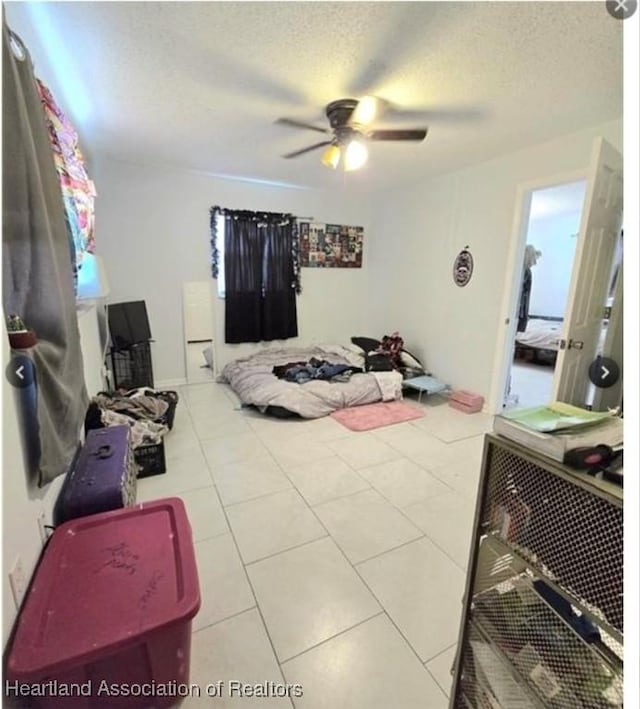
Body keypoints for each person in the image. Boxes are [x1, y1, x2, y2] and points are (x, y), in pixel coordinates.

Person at [517, 245, 541, 333]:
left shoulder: (525, 271)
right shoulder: (524, 271)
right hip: (519, 313)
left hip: (520, 313)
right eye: (533, 259)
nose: (534, 263)